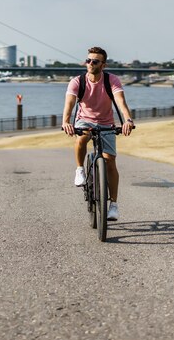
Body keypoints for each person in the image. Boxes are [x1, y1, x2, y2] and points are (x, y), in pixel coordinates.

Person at [62, 46, 134, 221]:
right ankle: (80, 169)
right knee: (82, 137)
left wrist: (128, 120)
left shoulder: (112, 80)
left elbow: (120, 101)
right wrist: (66, 122)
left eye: (95, 61)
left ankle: (114, 205)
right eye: (88, 60)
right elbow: (70, 105)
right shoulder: (77, 81)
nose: (90, 64)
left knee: (110, 161)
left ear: (103, 64)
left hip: (106, 122)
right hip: (84, 119)